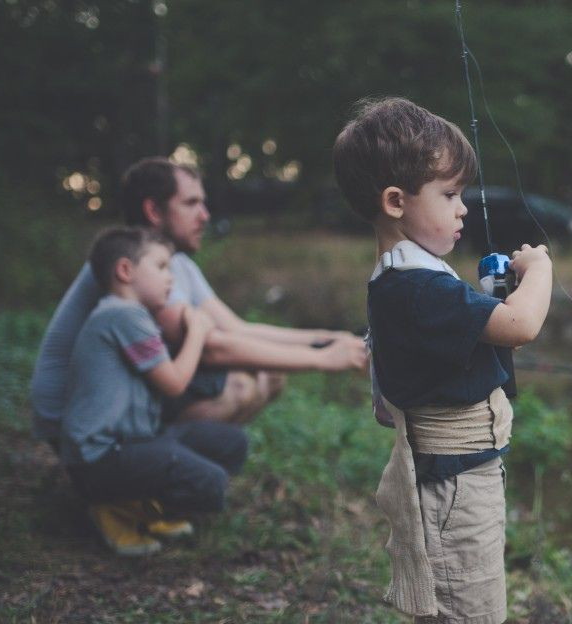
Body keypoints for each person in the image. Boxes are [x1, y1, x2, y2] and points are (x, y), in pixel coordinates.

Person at [333, 97, 552, 624]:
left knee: (461, 610)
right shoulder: (417, 287)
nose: (463, 208)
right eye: (450, 194)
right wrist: (540, 271)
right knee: (439, 616)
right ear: (396, 202)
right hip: (451, 480)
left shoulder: (413, 277)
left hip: (462, 471)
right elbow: (521, 326)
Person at [30, 158, 367, 445]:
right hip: (74, 421)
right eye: (191, 204)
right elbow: (213, 348)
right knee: (240, 385)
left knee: (270, 374)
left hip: (120, 400)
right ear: (153, 210)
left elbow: (237, 328)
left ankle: (178, 470)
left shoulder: (174, 263)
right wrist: (324, 360)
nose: (205, 215)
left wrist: (326, 338)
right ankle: (151, 477)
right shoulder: (135, 271)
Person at [62, 226, 248, 556]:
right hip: (100, 459)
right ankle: (117, 509)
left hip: (134, 442)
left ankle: (139, 503)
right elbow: (174, 382)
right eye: (161, 267)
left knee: (232, 442)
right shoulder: (122, 315)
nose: (170, 278)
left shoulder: (130, 315)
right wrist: (198, 330)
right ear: (125, 271)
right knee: (211, 483)